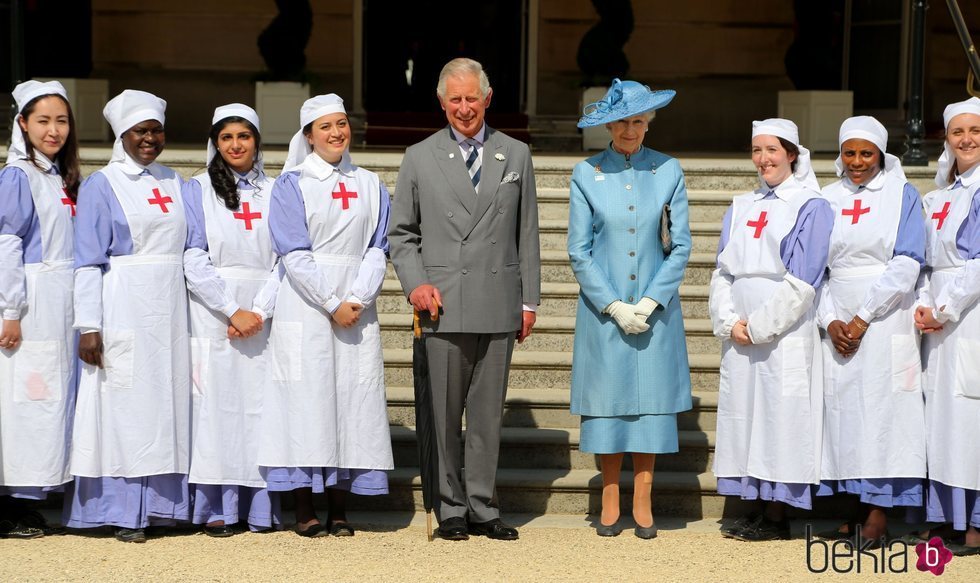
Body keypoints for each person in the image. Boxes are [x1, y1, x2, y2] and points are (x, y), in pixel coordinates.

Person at [388, 57, 541, 541]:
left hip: (498, 300)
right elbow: (401, 234)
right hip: (443, 303)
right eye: (454, 99)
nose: (463, 108)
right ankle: (450, 505)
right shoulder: (419, 156)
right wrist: (415, 284)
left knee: (485, 415)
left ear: (488, 98)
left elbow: (528, 233)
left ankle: (482, 504)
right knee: (444, 412)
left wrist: (530, 300)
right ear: (441, 101)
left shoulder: (515, 154)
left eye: (471, 98)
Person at [257, 94, 393, 538]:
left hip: (357, 306)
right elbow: (293, 252)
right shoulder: (292, 184)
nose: (336, 133)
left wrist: (358, 297)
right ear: (308, 136)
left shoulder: (372, 183)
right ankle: (304, 506)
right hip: (308, 304)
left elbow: (378, 246)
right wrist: (332, 302)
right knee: (306, 402)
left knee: (350, 402)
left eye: (341, 124)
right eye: (325, 127)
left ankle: (339, 506)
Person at [568, 79, 692, 539]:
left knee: (650, 404)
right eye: (622, 121)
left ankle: (643, 493)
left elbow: (681, 245)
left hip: (655, 309)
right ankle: (609, 492)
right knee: (610, 403)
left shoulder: (668, 169)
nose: (630, 129)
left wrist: (651, 299)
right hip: (605, 310)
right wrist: (615, 305)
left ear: (648, 124)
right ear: (609, 125)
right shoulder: (586, 173)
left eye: (638, 121)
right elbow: (578, 251)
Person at [66, 90, 191, 543]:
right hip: (122, 303)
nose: (150, 138)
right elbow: (87, 260)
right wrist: (89, 325)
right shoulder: (103, 184)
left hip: (170, 311)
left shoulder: (176, 181)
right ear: (122, 134)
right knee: (124, 407)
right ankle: (122, 510)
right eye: (141, 130)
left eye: (156, 130)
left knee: (166, 407)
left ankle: (161, 508)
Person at [708, 119, 832, 541]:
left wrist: (759, 326)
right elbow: (722, 270)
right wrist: (729, 321)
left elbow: (804, 279)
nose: (763, 159)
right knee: (746, 416)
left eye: (772, 150)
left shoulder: (810, 205)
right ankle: (755, 505)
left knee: (779, 417)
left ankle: (778, 514)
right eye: (756, 150)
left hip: (782, 331)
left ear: (792, 154)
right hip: (741, 330)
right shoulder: (742, 204)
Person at [813, 116, 926, 544]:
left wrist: (862, 317)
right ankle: (853, 509)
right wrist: (831, 320)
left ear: (881, 154)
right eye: (849, 152)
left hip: (885, 313)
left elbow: (908, 260)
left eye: (866, 153)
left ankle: (879, 513)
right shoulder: (825, 199)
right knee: (844, 414)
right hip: (837, 314)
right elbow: (814, 269)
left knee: (882, 411)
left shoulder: (902, 194)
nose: (857, 162)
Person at [182, 104, 282, 536]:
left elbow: (286, 258)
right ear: (215, 143)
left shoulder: (279, 190)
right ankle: (217, 506)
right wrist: (231, 309)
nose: (236, 144)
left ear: (257, 140)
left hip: (265, 312)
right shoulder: (197, 189)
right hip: (214, 312)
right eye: (226, 137)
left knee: (262, 408)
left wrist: (258, 310)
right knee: (216, 407)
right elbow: (192, 254)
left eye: (244, 135)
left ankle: (261, 507)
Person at [0, 81, 79, 539]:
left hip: (60, 301)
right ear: (23, 124)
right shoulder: (18, 175)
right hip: (30, 301)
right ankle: (8, 499)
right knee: (24, 399)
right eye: (43, 121)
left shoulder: (55, 174)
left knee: (48, 399)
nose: (53, 130)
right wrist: (10, 309)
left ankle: (31, 498)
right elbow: (7, 243)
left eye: (62, 120)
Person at [910, 97, 980, 557]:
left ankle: (975, 522)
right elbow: (922, 263)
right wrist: (922, 304)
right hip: (935, 319)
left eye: (975, 131)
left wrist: (945, 308)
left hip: (970, 316)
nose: (967, 139)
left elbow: (977, 264)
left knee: (970, 419)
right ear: (946, 138)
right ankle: (946, 518)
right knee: (940, 419)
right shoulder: (936, 196)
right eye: (958, 132)